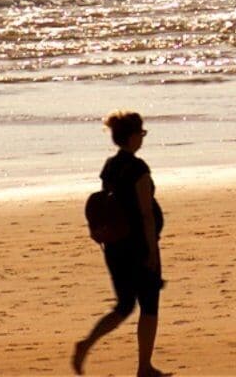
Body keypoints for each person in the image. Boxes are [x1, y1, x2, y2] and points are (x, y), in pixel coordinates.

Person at [74, 110, 169, 376]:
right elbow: (146, 214)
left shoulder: (110, 166)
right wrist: (151, 251)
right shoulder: (138, 168)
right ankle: (144, 367)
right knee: (149, 304)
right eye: (142, 133)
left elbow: (109, 203)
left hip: (115, 246)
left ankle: (87, 343)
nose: (143, 137)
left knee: (125, 305)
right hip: (138, 246)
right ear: (132, 137)